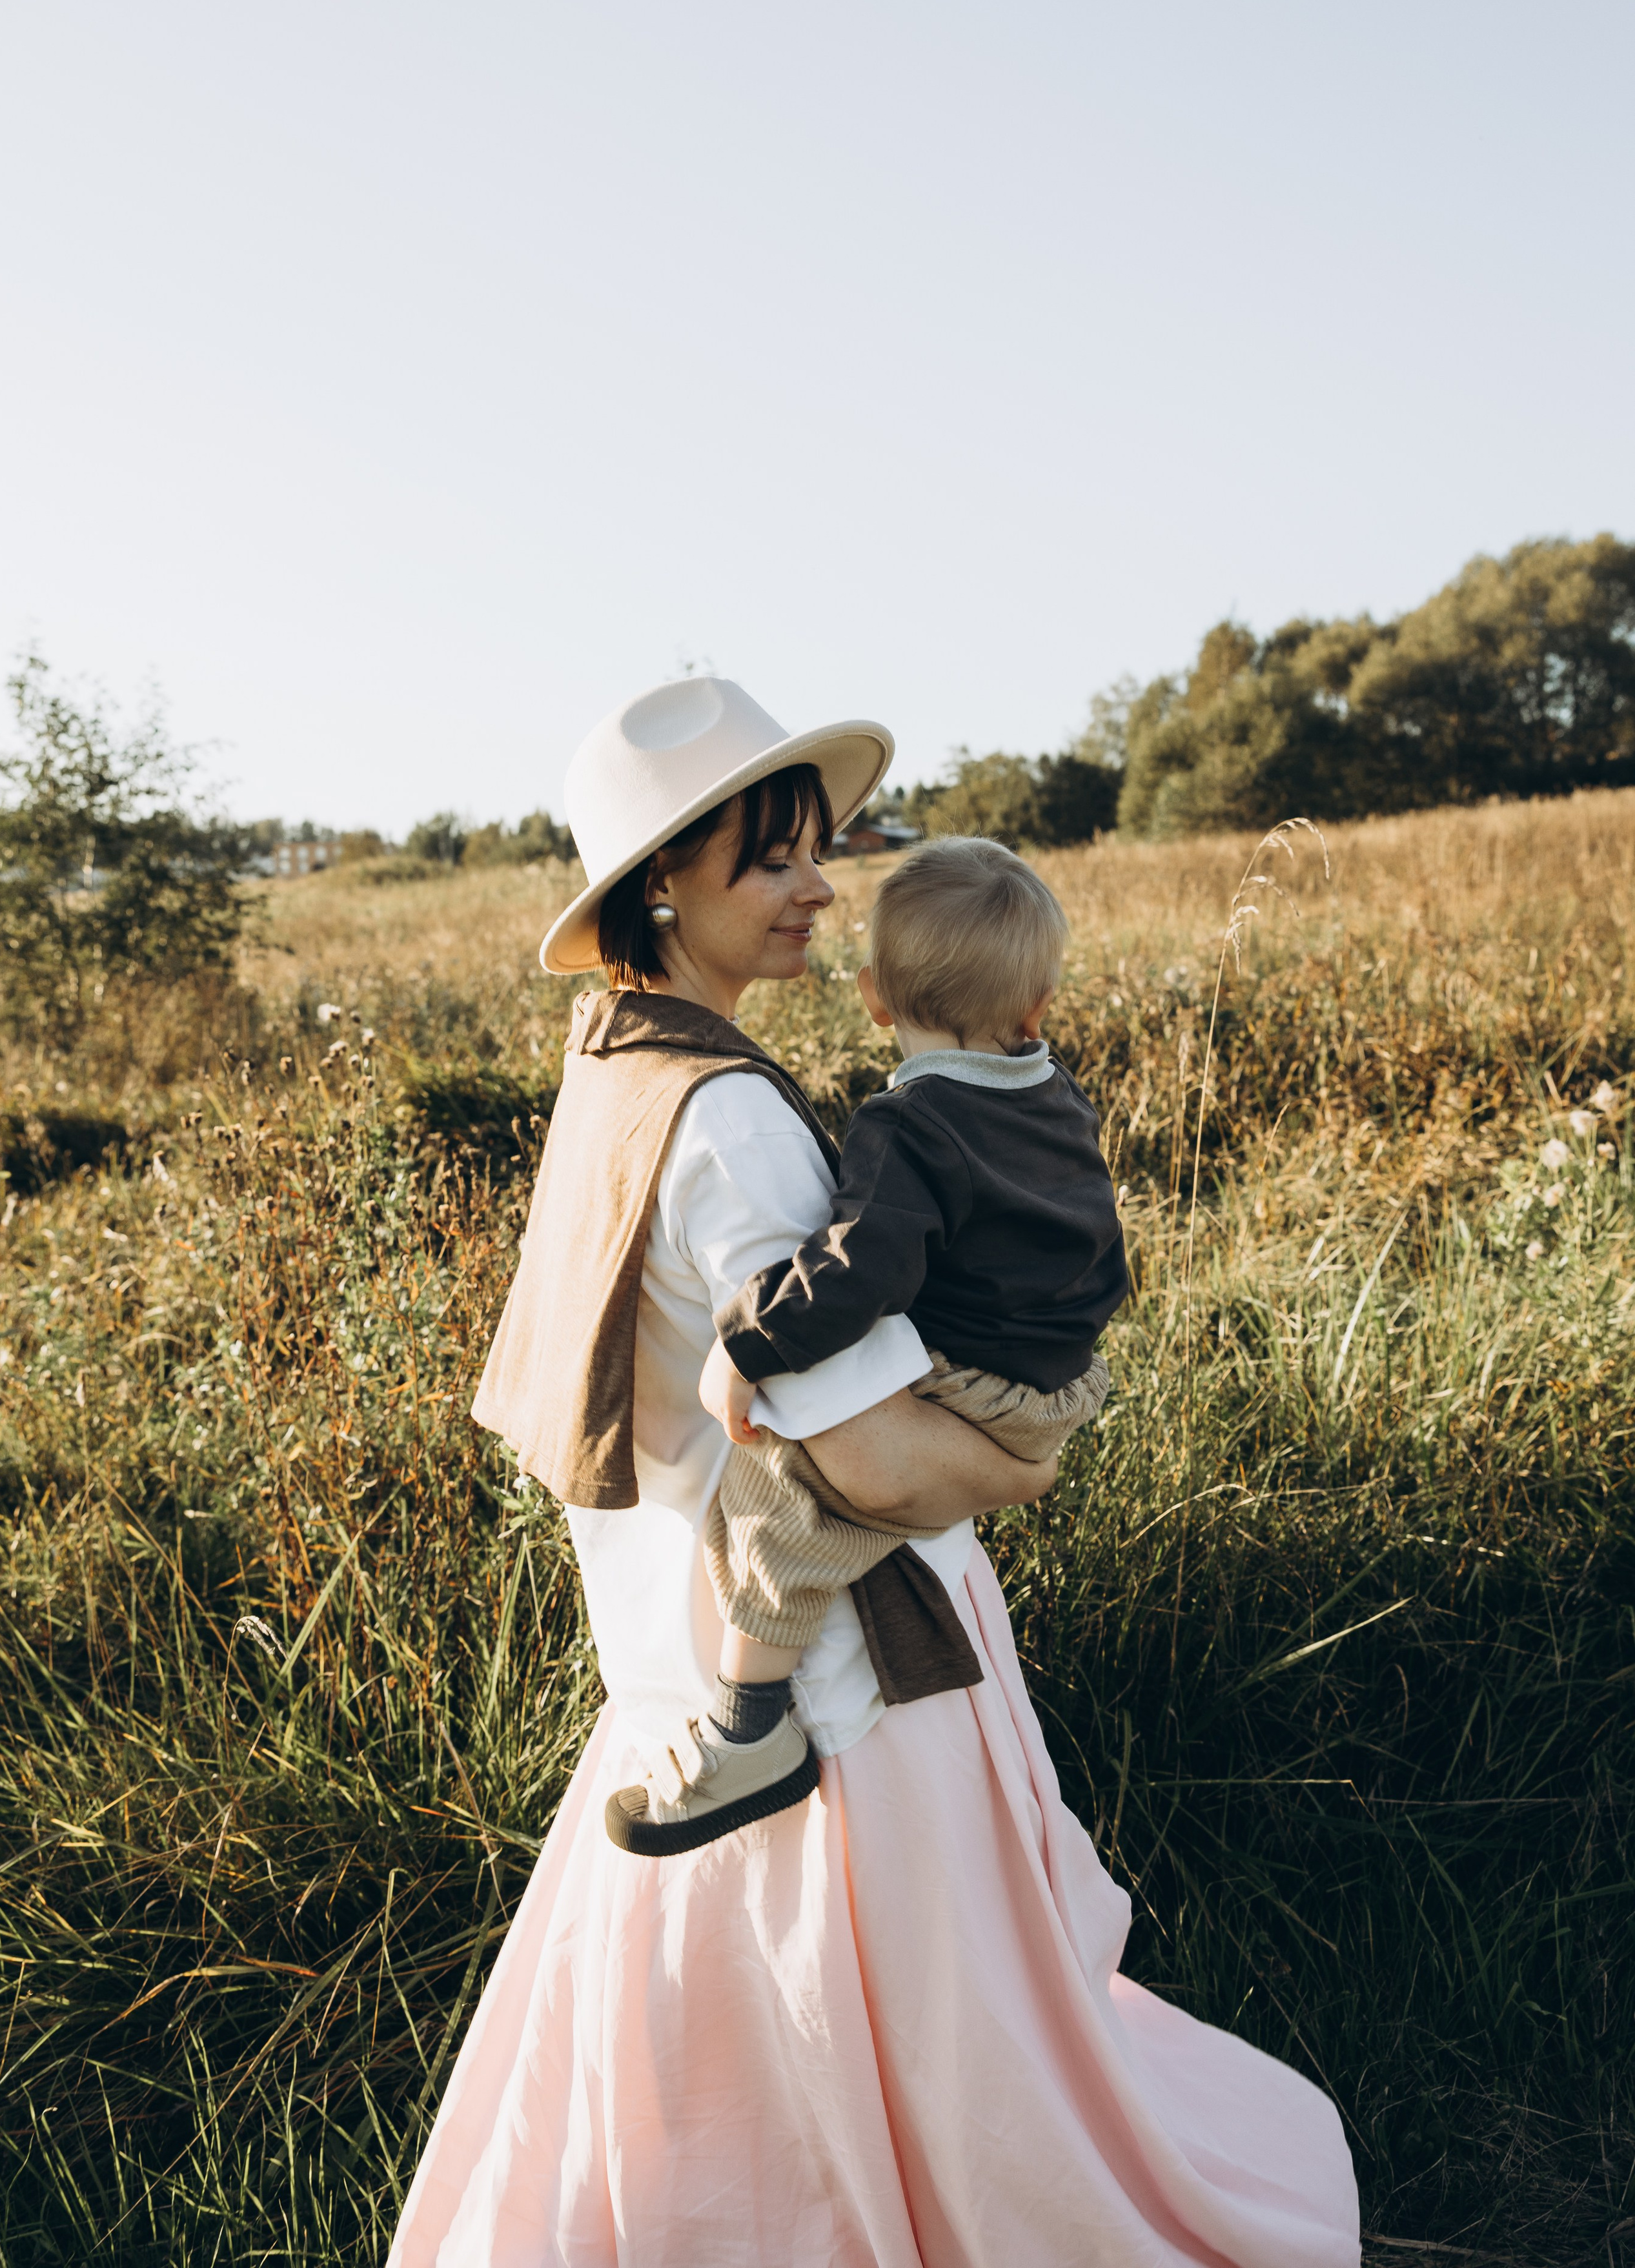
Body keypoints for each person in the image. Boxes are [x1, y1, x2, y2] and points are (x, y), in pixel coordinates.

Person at [386, 674, 1361, 2268]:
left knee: (716, 2079)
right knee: (933, 2063)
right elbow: (877, 1461)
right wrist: (1026, 1467)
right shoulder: (736, 1127)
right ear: (661, 885)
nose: (820, 891)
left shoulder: (609, 1071)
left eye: (813, 851)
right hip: (844, 1692)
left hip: (677, 1670)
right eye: (769, 861)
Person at [608, 834, 1130, 1858]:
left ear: (874, 998)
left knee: (774, 1497)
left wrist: (749, 1346)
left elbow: (855, 1270)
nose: (814, 882)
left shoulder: (908, 1126)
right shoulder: (1055, 1091)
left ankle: (750, 1727)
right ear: (1036, 1010)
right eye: (773, 858)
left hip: (975, 1390)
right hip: (1063, 1381)